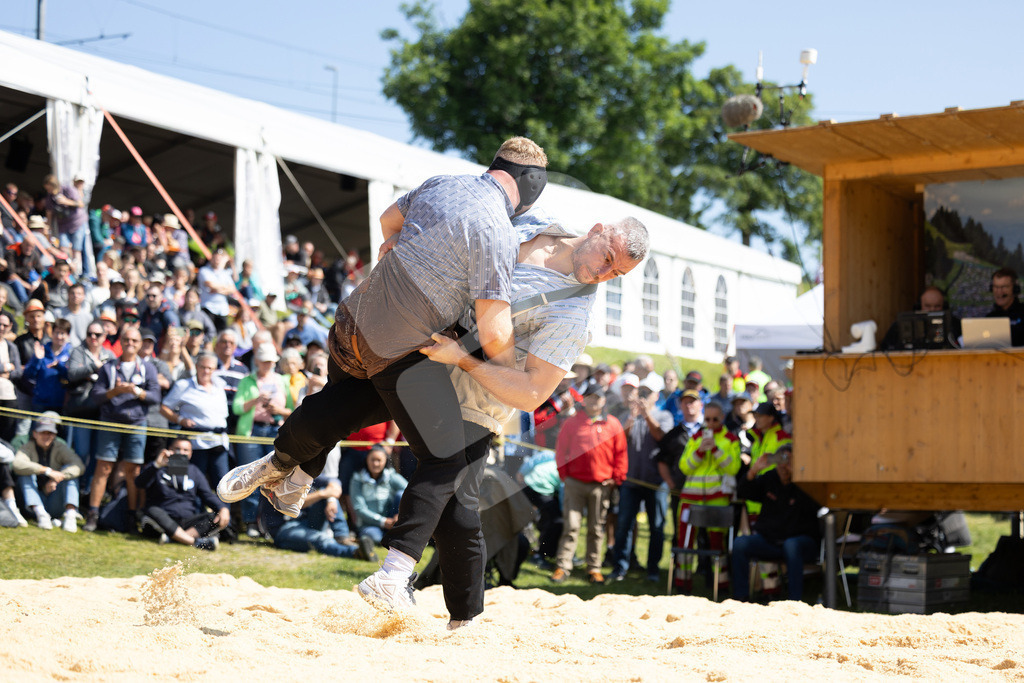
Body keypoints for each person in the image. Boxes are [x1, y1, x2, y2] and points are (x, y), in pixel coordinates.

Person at [83, 327, 160, 532]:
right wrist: (116, 391)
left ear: (140, 342)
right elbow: (96, 396)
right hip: (111, 421)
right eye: (126, 339)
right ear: (121, 341)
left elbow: (155, 397)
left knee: (133, 470)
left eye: (134, 340)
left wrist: (137, 392)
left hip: (137, 422)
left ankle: (131, 516)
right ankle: (93, 514)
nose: (130, 343)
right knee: (103, 467)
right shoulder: (109, 367)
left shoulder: (147, 368)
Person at [550, 385, 627, 584]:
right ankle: (563, 566)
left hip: (601, 484)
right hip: (575, 482)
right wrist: (564, 474)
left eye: (598, 398)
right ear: (584, 400)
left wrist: (617, 477)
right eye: (590, 397)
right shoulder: (572, 422)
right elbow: (561, 450)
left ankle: (594, 568)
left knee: (596, 528)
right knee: (571, 526)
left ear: (603, 401)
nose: (594, 401)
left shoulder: (613, 424)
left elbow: (620, 452)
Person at [660, 401, 741, 592]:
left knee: (716, 544)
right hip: (690, 497)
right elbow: (684, 466)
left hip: (717, 498)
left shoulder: (730, 439)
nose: (711, 423)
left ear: (722, 418)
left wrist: (715, 450)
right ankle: (682, 584)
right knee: (685, 543)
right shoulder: (695, 437)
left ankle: (719, 586)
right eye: (707, 419)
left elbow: (733, 467)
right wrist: (700, 451)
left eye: (715, 419)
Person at [732, 444, 821, 602]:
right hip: (770, 541)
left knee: (791, 545)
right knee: (740, 543)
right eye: (781, 460)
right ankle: (741, 598)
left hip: (801, 542)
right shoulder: (770, 478)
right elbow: (743, 491)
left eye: (788, 461)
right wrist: (754, 470)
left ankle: (794, 601)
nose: (784, 466)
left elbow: (815, 505)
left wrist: (797, 476)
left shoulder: (807, 483)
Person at [608, 385, 673, 583]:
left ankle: (653, 570)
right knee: (624, 525)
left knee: (657, 527)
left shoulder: (664, 415)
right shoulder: (630, 415)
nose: (644, 396)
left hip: (656, 483)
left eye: (648, 392)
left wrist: (646, 415)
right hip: (631, 480)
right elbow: (619, 438)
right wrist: (632, 416)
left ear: (656, 396)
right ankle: (620, 568)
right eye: (641, 392)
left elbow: (661, 437)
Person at [233, 344, 293, 537]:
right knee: (249, 477)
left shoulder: (282, 381)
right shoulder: (247, 381)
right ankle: (250, 522)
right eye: (264, 361)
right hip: (252, 431)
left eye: (270, 361)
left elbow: (293, 409)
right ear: (257, 361)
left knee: (273, 478)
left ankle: (270, 524)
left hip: (275, 431)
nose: (267, 365)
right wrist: (256, 400)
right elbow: (237, 408)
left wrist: (279, 411)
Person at [135, 437, 228, 550]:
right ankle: (195, 542)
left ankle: (175, 538)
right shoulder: (157, 467)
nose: (181, 453)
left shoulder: (194, 471)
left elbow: (207, 495)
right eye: (177, 449)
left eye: (185, 450)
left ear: (191, 453)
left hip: (187, 520)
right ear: (169, 450)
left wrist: (222, 508)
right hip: (163, 518)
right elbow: (139, 484)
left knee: (216, 516)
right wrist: (157, 465)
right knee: (152, 510)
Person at [160, 352, 230, 499]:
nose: (206, 371)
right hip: (195, 444)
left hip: (219, 441)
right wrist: (179, 420)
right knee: (193, 483)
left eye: (210, 368)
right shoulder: (184, 385)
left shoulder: (219, 385)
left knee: (224, 484)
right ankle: (194, 518)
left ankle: (224, 518)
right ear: (197, 367)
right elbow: (164, 408)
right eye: (203, 367)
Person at [258, 477, 377, 561]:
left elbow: (334, 482)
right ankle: (355, 552)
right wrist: (323, 493)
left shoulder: (301, 472)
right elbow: (293, 504)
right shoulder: (274, 477)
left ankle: (342, 538)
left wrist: (330, 498)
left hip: (308, 522)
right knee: (320, 538)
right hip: (283, 530)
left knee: (330, 496)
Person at [10, 411, 84, 531]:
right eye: (42, 433)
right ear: (35, 433)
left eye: (50, 433)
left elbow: (78, 465)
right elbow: (17, 464)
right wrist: (46, 471)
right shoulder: (26, 447)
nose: (46, 436)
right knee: (25, 475)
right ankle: (41, 514)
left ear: (54, 435)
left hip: (54, 500)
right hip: (31, 505)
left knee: (70, 474)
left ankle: (70, 515)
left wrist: (59, 477)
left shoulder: (60, 447)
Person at [65, 320, 116, 476]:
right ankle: (77, 486)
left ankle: (87, 489)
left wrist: (91, 374)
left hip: (103, 411)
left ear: (104, 336)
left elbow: (114, 378)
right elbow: (72, 374)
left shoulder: (109, 354)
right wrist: (94, 367)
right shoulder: (78, 351)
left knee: (98, 454)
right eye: (89, 334)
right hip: (82, 410)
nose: (93, 337)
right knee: (81, 451)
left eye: (97, 334)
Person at [350, 445, 408, 544]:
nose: (375, 464)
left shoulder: (391, 476)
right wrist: (383, 521)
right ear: (367, 460)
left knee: (401, 494)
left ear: (385, 461)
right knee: (374, 537)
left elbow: (409, 490)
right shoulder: (357, 479)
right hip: (369, 524)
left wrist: (398, 515)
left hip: (392, 519)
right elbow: (359, 508)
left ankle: (398, 532)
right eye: (372, 460)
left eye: (379, 460)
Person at [23, 318, 72, 415]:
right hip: (40, 402)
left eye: (62, 333)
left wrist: (59, 367)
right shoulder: (42, 350)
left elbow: (71, 377)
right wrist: (37, 360)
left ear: (68, 335)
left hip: (61, 403)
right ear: (52, 333)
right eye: (57, 333)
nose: (59, 336)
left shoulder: (71, 353)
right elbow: (28, 375)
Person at [197, 248, 235, 331]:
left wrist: (218, 290)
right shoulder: (204, 270)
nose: (217, 260)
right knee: (209, 332)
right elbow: (210, 285)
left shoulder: (225, 273)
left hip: (222, 309)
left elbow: (232, 289)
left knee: (223, 333)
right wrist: (225, 288)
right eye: (216, 257)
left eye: (219, 258)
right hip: (208, 307)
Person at [986, 267, 1024, 346]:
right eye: (996, 287)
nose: (999, 292)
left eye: (1004, 287)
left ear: (1015, 289)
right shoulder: (989, 318)